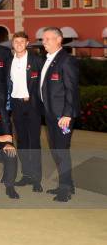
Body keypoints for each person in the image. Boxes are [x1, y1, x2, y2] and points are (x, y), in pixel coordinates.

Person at [40, 27, 80, 202]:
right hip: (51, 115)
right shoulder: (49, 59)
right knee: (56, 151)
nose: (44, 42)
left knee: (61, 152)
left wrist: (67, 114)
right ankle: (67, 184)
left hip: (62, 117)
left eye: (48, 39)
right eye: (43, 39)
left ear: (59, 40)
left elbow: (72, 90)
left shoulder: (66, 60)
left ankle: (65, 190)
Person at [7, 31, 44, 192]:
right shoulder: (9, 62)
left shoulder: (36, 60)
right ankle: (26, 174)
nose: (19, 44)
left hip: (33, 105)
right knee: (21, 142)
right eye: (16, 42)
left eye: (22, 42)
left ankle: (36, 179)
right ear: (13, 44)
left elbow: (44, 84)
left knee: (34, 142)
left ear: (27, 43)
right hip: (16, 105)